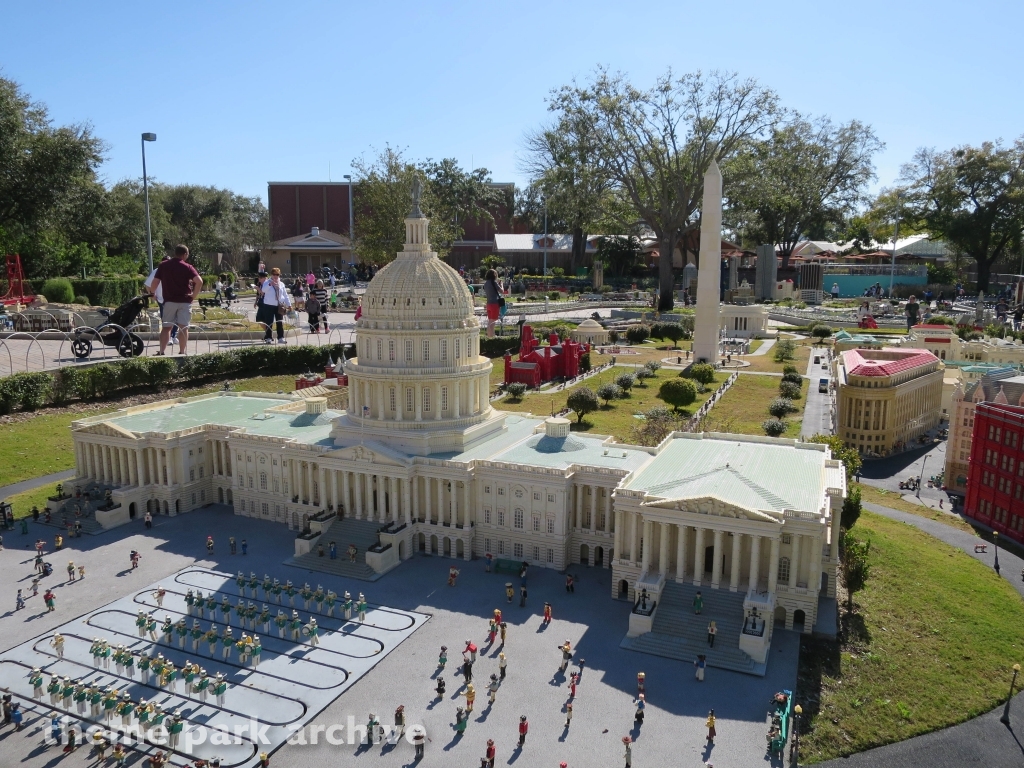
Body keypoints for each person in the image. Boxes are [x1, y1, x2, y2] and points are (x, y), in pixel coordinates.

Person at [149, 245, 203, 356]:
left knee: (166, 327)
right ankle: (182, 352)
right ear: (184, 254)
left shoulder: (163, 266)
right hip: (185, 301)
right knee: (183, 327)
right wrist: (193, 295)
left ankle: (162, 351)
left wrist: (152, 293)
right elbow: (199, 281)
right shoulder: (188, 267)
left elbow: (155, 281)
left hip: (169, 301)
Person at [145, 255, 178, 344]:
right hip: (162, 299)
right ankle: (169, 337)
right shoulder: (157, 271)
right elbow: (148, 284)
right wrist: (152, 294)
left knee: (177, 318)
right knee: (167, 320)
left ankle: (174, 335)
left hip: (174, 298)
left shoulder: (174, 270)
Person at [257, 269, 291, 344]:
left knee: (279, 322)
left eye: (277, 275)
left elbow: (285, 295)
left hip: (279, 305)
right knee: (269, 322)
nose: (275, 276)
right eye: (274, 274)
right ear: (271, 275)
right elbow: (263, 290)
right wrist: (270, 285)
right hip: (269, 305)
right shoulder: (267, 282)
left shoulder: (281, 284)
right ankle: (268, 337)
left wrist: (289, 305)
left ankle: (280, 338)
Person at [483, 269, 502, 338]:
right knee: (492, 323)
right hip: (494, 304)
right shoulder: (494, 283)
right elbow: (502, 291)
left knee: (490, 321)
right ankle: (491, 337)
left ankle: (490, 335)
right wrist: (501, 285)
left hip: (488, 304)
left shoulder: (485, 284)